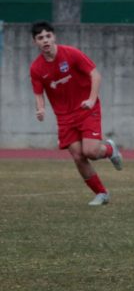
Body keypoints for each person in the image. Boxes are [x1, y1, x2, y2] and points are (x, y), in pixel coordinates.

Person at [29, 21, 123, 206]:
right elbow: (39, 93)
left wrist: (91, 99)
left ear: (54, 37)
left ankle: (110, 150)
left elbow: (95, 75)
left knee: (91, 151)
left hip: (87, 109)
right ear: (35, 42)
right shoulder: (36, 68)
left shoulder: (70, 54)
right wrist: (40, 109)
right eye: (40, 38)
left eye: (48, 36)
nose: (45, 40)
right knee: (78, 156)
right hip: (64, 118)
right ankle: (101, 193)